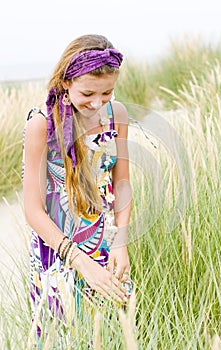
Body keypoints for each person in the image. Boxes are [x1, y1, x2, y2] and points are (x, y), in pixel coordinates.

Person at [22, 34, 132, 344]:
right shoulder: (42, 124)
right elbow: (32, 210)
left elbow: (122, 184)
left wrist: (121, 242)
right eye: (87, 93)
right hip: (56, 252)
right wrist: (79, 261)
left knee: (111, 335)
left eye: (107, 92)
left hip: (106, 247)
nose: (97, 103)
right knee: (62, 338)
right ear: (66, 82)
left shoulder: (117, 115)